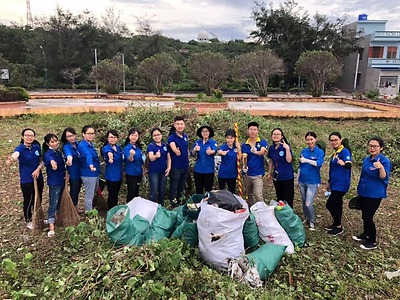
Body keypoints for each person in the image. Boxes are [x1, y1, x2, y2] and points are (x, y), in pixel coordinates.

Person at [352, 137, 391, 250]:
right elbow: (363, 176)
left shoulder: (384, 161)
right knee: (364, 215)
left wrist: (381, 168)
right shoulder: (366, 159)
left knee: (368, 216)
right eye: (370, 146)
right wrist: (359, 189)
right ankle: (365, 234)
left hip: (375, 194)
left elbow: (384, 177)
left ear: (381, 148)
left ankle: (372, 241)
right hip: (364, 191)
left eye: (375, 146)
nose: (372, 148)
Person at [6, 128, 44, 229]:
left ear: (34, 137)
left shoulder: (36, 147)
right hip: (27, 179)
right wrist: (11, 159)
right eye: (27, 135)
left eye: (31, 135)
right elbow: (15, 155)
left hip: (38, 178)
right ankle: (29, 220)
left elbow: (41, 160)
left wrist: (38, 169)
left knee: (39, 197)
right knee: (29, 199)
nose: (29, 137)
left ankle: (39, 217)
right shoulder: (20, 148)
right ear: (23, 137)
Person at [325, 132, 352, 236]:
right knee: (337, 204)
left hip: (342, 183)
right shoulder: (335, 153)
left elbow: (349, 165)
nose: (334, 142)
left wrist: (344, 164)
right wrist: (329, 182)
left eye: (336, 140)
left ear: (340, 140)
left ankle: (339, 226)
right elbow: (332, 170)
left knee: (330, 204)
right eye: (331, 140)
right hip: (334, 183)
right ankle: (336, 224)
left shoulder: (344, 151)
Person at [298, 131, 324, 231]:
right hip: (302, 180)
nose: (309, 141)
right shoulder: (304, 151)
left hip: (312, 181)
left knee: (309, 203)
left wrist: (306, 160)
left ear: (315, 139)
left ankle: (312, 221)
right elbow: (300, 166)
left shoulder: (319, 152)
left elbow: (319, 163)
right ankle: (306, 218)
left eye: (311, 139)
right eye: (308, 140)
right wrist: (297, 179)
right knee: (304, 201)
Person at [43, 133, 65, 237]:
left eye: (56, 141)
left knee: (59, 201)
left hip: (62, 180)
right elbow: (49, 159)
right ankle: (51, 226)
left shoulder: (58, 152)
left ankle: (56, 218)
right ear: (47, 143)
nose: (55, 143)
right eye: (52, 141)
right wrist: (52, 163)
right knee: (54, 202)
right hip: (54, 182)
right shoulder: (48, 154)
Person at [241, 121, 268, 206]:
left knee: (258, 195)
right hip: (247, 174)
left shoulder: (262, 142)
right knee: (249, 195)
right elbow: (244, 157)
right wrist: (244, 166)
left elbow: (262, 152)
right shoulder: (245, 145)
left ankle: (263, 213)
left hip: (258, 174)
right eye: (251, 129)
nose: (253, 131)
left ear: (258, 131)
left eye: (254, 129)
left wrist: (256, 152)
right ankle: (252, 213)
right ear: (248, 131)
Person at [267, 128, 295, 208]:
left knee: (288, 198)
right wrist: (269, 173)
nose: (275, 136)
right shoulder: (271, 148)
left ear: (282, 136)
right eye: (274, 134)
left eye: (278, 134)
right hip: (277, 177)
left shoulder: (285, 147)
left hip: (287, 177)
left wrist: (287, 149)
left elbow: (289, 160)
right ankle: (282, 215)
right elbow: (271, 161)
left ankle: (289, 215)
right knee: (280, 198)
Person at [77, 125, 100, 212]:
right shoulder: (82, 146)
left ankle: (90, 210)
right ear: (83, 134)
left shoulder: (90, 144)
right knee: (89, 195)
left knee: (93, 192)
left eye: (93, 133)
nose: (91, 135)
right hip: (88, 173)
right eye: (89, 133)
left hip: (95, 172)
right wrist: (90, 165)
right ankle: (89, 214)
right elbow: (88, 155)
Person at [168, 116, 190, 206]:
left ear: (184, 125)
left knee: (182, 185)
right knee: (174, 185)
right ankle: (173, 202)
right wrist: (176, 151)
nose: (180, 126)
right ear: (174, 125)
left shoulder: (185, 136)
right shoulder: (172, 137)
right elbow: (173, 147)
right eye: (177, 124)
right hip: (176, 167)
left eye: (181, 124)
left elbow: (187, 149)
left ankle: (180, 200)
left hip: (185, 166)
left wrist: (188, 159)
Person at [147, 127, 171, 205]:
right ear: (152, 137)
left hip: (163, 171)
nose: (157, 137)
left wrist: (169, 167)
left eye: (158, 134)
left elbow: (169, 157)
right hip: (154, 172)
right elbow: (151, 158)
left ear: (161, 135)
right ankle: (151, 208)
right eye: (155, 135)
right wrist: (156, 156)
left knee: (162, 190)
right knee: (154, 190)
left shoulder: (165, 145)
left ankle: (161, 207)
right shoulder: (151, 146)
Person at [191, 125, 218, 194]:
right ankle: (199, 204)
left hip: (209, 170)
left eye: (206, 131)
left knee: (208, 190)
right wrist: (195, 149)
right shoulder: (197, 142)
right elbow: (192, 154)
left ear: (209, 133)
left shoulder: (213, 142)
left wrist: (210, 152)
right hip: (198, 170)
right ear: (201, 133)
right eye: (203, 131)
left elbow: (214, 151)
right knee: (199, 190)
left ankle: (207, 204)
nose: (205, 133)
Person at [102, 130, 123, 210]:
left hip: (119, 175)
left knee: (116, 194)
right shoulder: (106, 148)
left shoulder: (118, 148)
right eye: (111, 137)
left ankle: (115, 211)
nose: (112, 139)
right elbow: (109, 153)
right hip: (111, 176)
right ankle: (110, 212)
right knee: (112, 195)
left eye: (114, 137)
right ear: (107, 138)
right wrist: (110, 157)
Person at [61, 127, 81, 207]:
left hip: (81, 170)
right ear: (65, 138)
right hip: (73, 172)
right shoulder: (66, 146)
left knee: (78, 189)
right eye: (68, 136)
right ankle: (72, 208)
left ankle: (75, 206)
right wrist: (69, 160)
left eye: (72, 135)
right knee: (74, 190)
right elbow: (69, 155)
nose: (71, 138)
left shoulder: (77, 144)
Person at [123, 128, 144, 203]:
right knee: (131, 192)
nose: (134, 137)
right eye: (132, 135)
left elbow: (141, 160)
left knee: (136, 192)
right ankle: (129, 208)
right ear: (129, 136)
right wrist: (131, 155)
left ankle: (135, 208)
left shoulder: (138, 147)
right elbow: (130, 159)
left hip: (139, 172)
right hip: (131, 173)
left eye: (136, 135)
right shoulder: (127, 148)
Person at [217, 129, 241, 194]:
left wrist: (239, 148)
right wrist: (222, 152)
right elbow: (219, 151)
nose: (229, 140)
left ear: (234, 139)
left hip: (232, 174)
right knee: (222, 193)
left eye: (231, 138)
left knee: (232, 193)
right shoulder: (224, 147)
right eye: (228, 138)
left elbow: (240, 158)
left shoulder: (236, 148)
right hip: (223, 174)